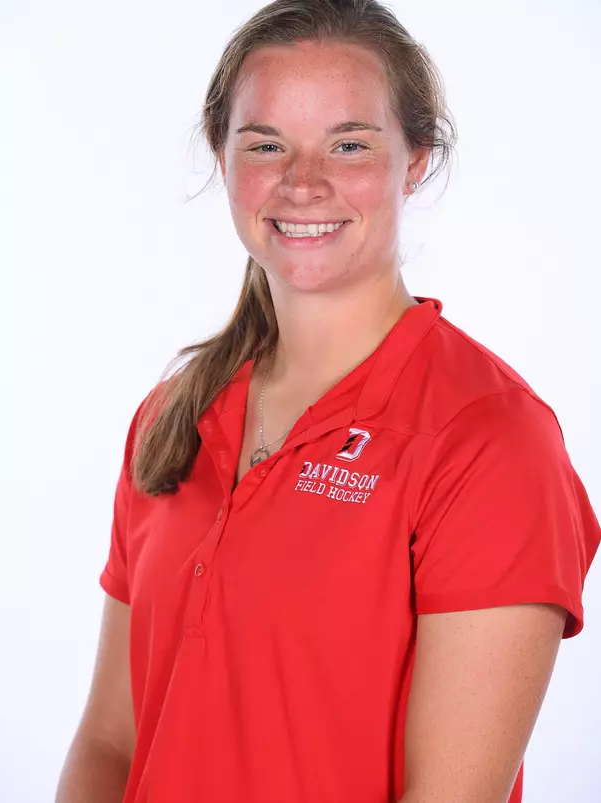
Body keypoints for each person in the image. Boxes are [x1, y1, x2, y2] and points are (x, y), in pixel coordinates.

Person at [56, 1, 601, 802]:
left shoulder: (488, 440)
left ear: (413, 161)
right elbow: (109, 743)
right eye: (266, 144)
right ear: (223, 156)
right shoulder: (170, 418)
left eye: (349, 144)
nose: (302, 181)